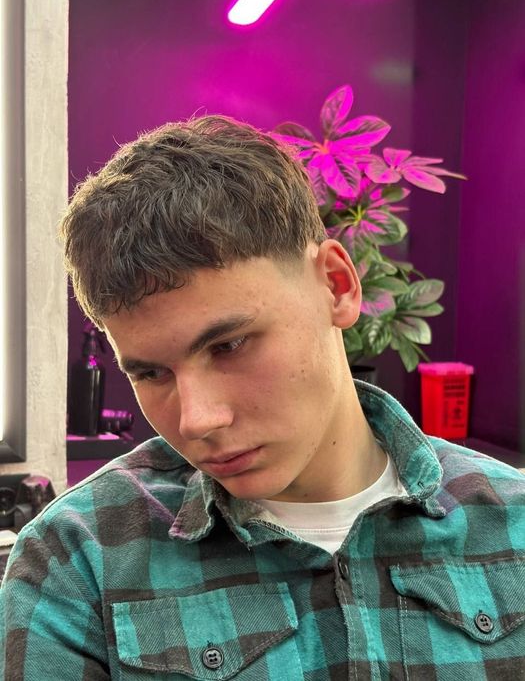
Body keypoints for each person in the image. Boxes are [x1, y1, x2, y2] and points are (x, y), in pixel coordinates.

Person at [1, 116, 524, 681]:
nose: (197, 420)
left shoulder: (512, 524)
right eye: (151, 373)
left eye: (229, 345)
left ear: (336, 285)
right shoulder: (75, 562)